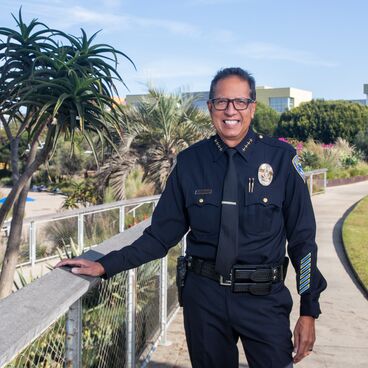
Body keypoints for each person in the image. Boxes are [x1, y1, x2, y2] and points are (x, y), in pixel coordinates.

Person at [56, 67, 327, 368]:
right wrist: (105, 264)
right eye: (221, 102)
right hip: (205, 300)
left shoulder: (281, 159)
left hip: (264, 300)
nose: (230, 111)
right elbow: (160, 237)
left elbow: (303, 243)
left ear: (252, 107)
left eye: (239, 102)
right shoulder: (190, 163)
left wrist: (308, 310)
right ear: (210, 107)